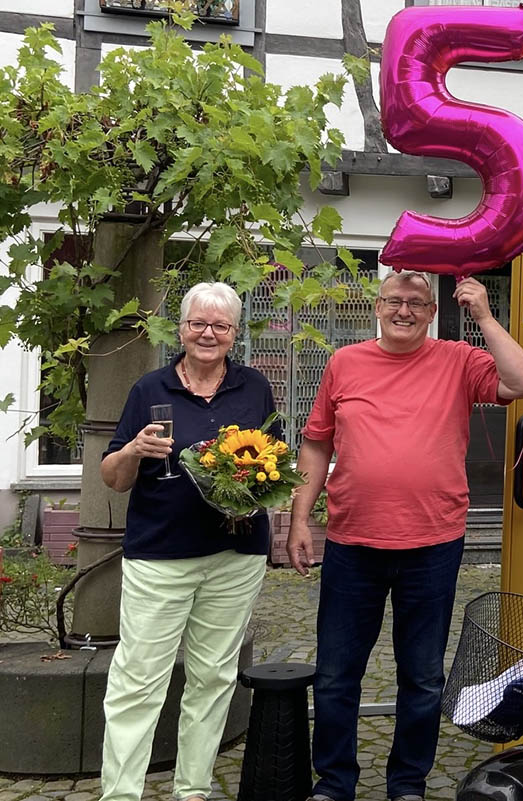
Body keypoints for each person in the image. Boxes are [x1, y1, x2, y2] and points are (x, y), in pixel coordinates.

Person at [287, 270, 523, 801]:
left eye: (416, 303)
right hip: (353, 543)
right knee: (335, 675)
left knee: (422, 678)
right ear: (377, 307)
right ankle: (334, 784)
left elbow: (522, 382)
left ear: (431, 312)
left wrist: (485, 317)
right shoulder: (344, 363)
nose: (404, 310)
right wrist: (299, 520)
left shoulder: (458, 359)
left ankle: (407, 786)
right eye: (394, 301)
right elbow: (316, 445)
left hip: (432, 543)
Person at [99, 282, 277, 801]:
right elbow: (113, 478)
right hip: (160, 557)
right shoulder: (149, 390)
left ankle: (193, 789)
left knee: (214, 677)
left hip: (234, 556)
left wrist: (261, 492)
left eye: (220, 326)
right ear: (181, 329)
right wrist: (134, 448)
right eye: (198, 323)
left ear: (234, 334)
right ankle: (122, 793)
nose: (208, 333)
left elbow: (276, 460)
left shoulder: (254, 388)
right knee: (138, 681)